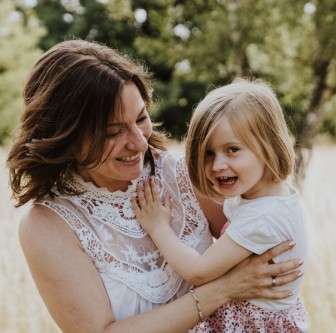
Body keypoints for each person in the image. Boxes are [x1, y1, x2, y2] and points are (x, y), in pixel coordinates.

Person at [6, 40, 304, 333]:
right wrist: (222, 290)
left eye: (141, 118)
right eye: (114, 131)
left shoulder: (182, 174)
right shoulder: (46, 226)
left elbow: (268, 255)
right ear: (65, 136)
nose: (139, 142)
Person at [132, 79, 310, 332]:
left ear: (269, 146)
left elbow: (198, 271)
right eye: (208, 153)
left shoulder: (264, 217)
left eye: (232, 149)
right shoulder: (263, 196)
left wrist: (158, 226)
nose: (217, 166)